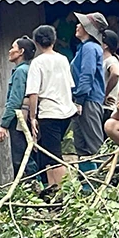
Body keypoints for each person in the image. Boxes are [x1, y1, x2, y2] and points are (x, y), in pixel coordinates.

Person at [27, 25, 76, 187]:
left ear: (36, 42)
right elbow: (70, 85)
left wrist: (32, 117)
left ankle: (65, 192)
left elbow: (33, 93)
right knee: (47, 154)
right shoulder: (63, 59)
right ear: (54, 40)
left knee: (55, 157)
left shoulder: (37, 63)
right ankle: (52, 188)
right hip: (67, 111)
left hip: (49, 113)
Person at [70, 12, 108, 173]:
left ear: (88, 28)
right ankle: (88, 182)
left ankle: (106, 178)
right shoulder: (84, 48)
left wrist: (79, 100)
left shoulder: (90, 48)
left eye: (81, 23)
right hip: (84, 100)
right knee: (81, 145)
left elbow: (87, 75)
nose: (77, 25)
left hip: (88, 100)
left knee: (94, 144)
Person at [0, 36, 38, 176]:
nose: (10, 51)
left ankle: (32, 184)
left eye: (13, 47)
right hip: (28, 117)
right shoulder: (28, 69)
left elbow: (15, 101)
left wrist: (4, 124)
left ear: (21, 52)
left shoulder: (21, 71)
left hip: (21, 118)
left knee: (21, 158)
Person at [102, 30, 119, 122]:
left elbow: (116, 73)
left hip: (106, 108)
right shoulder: (104, 61)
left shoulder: (111, 60)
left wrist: (104, 94)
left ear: (105, 45)